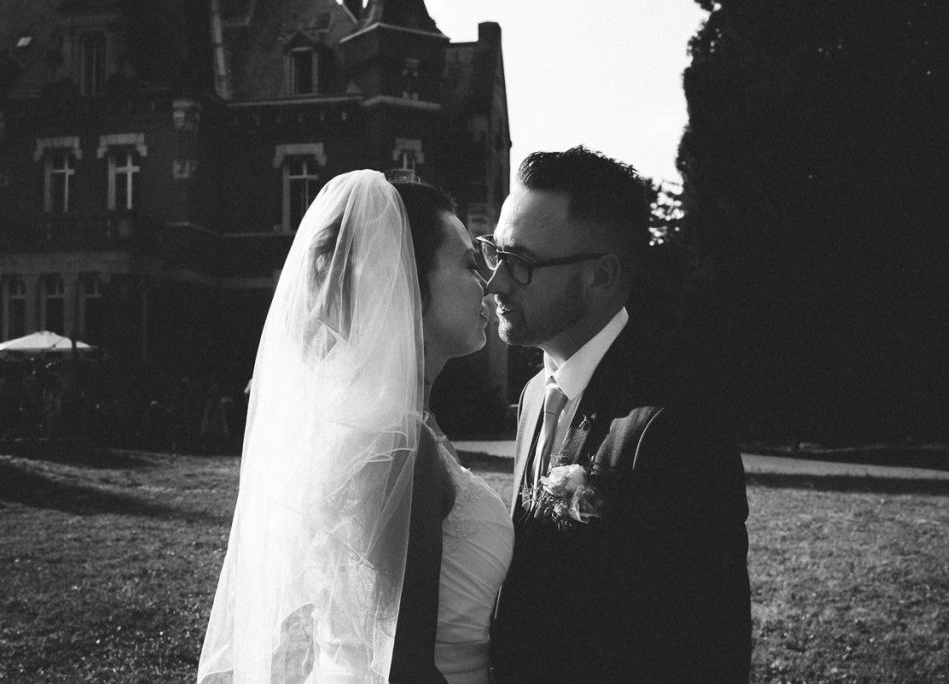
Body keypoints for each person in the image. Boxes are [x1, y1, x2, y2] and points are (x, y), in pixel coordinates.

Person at [197, 170, 513, 683]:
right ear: (406, 280)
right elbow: (404, 668)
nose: (488, 284)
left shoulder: (393, 427)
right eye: (467, 264)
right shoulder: (396, 446)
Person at [486, 147, 752, 682]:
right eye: (494, 253)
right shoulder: (538, 392)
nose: (495, 283)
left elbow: (706, 650)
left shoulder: (673, 428)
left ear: (601, 276)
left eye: (521, 263)